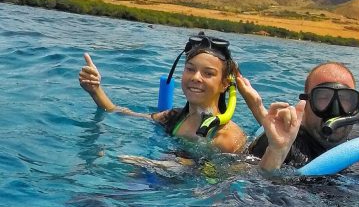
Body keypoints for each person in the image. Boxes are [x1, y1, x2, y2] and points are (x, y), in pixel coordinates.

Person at [245, 37, 359, 171]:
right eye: (323, 98)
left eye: (345, 99)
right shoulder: (281, 144)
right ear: (305, 104)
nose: (335, 110)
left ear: (355, 107)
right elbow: (245, 189)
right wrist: (275, 154)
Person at [77, 32, 247, 153]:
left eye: (208, 73)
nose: (196, 77)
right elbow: (121, 113)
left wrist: (168, 167)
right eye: (190, 69)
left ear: (225, 84)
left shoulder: (227, 138)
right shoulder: (173, 117)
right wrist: (95, 90)